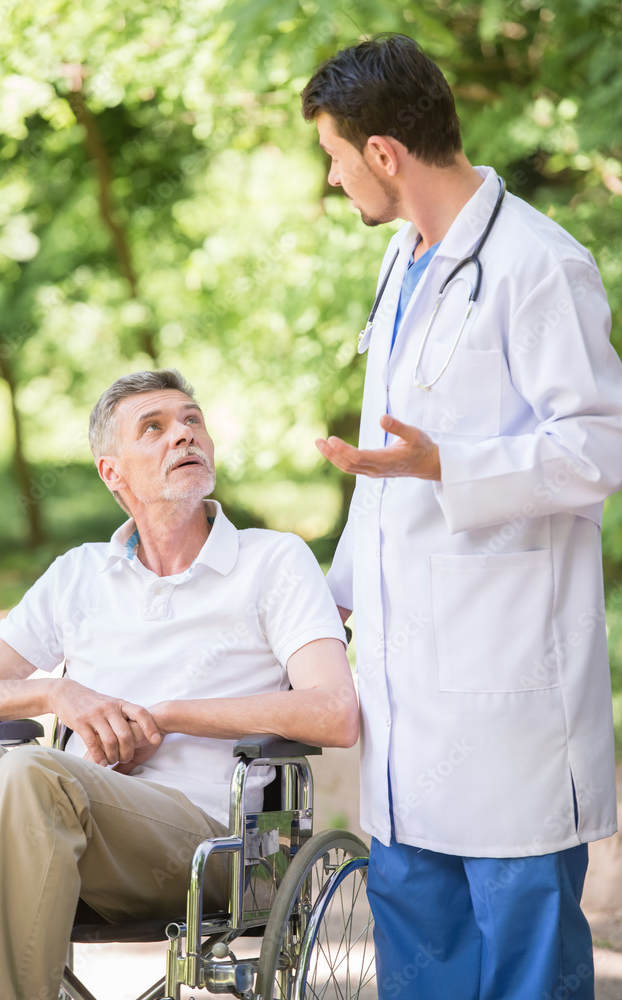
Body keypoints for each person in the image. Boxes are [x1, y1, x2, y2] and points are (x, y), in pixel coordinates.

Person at [301, 33, 622, 1000]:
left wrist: (456, 467)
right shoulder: (406, 260)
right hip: (411, 712)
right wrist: (334, 605)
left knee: (521, 968)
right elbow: (381, 473)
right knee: (421, 962)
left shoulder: (536, 264)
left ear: (385, 154)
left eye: (334, 154)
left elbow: (600, 446)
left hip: (510, 704)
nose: (331, 176)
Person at [0, 368, 359, 1000]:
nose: (183, 435)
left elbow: (334, 710)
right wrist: (54, 694)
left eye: (192, 420)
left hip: (211, 843)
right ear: (111, 473)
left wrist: (168, 715)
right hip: (54, 825)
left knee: (31, 773)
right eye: (155, 428)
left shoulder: (272, 559)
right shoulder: (78, 574)